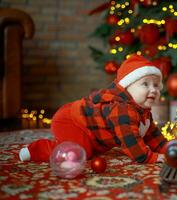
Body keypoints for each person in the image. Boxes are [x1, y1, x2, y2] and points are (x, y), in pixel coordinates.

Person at [19, 54, 167, 163]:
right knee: (79, 153)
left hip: (90, 130)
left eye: (156, 85)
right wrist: (151, 157)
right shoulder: (123, 110)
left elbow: (151, 135)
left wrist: (167, 149)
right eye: (145, 84)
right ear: (127, 87)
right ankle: (35, 150)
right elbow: (131, 143)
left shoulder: (144, 112)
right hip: (71, 121)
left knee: (91, 149)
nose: (153, 90)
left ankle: (80, 143)